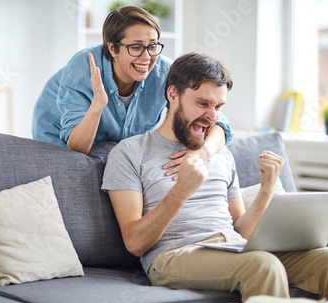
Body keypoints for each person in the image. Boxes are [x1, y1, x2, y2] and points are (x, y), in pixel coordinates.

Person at [101, 52, 328, 302]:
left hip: (232, 246)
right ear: (173, 94)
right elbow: (134, 243)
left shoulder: (220, 154)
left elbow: (242, 230)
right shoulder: (131, 152)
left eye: (218, 107)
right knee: (262, 265)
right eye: (202, 104)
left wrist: (266, 190)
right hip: (174, 254)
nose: (212, 116)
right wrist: (181, 191)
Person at [32, 6, 233, 176]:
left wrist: (203, 153)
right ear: (113, 49)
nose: (146, 57)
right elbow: (77, 147)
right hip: (60, 136)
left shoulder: (165, 71)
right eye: (136, 47)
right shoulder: (82, 69)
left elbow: (218, 122)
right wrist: (97, 106)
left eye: (153, 46)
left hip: (117, 144)